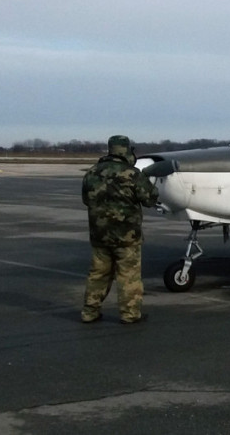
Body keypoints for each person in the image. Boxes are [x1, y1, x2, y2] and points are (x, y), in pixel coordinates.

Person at [81, 135, 159, 324]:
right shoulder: (132, 174)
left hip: (100, 236)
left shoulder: (91, 173)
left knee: (98, 274)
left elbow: (86, 200)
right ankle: (130, 314)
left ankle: (89, 312)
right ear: (126, 150)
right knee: (128, 276)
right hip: (127, 237)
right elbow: (151, 199)